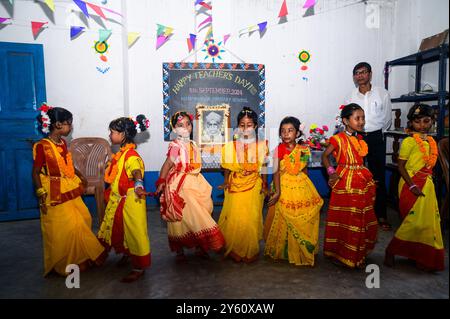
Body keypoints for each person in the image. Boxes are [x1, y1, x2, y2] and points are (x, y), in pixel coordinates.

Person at [32, 104, 106, 277]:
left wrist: (80, 175)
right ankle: (64, 263)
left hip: (69, 185)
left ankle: (80, 256)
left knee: (83, 218)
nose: (70, 127)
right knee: (65, 227)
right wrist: (41, 195)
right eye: (68, 123)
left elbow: (68, 164)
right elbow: (35, 172)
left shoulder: (63, 143)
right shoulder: (43, 146)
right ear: (58, 124)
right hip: (52, 190)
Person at [156, 111, 225, 262]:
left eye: (188, 124)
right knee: (187, 215)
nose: (185, 128)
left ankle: (200, 246)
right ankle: (184, 247)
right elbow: (168, 164)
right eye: (180, 125)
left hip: (197, 181)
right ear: (174, 129)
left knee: (203, 209)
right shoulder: (175, 146)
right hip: (181, 184)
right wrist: (161, 181)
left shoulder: (193, 144)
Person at [384, 104, 444, 271]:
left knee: (428, 224)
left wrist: (425, 183)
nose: (422, 125)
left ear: (432, 121)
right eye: (417, 122)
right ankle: (391, 251)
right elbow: (401, 167)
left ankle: (421, 257)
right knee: (412, 222)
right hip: (410, 183)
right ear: (411, 123)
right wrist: (412, 186)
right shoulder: (409, 141)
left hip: (427, 185)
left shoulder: (432, 141)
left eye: (426, 121)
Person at [322, 103, 378, 268]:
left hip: (361, 180)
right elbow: (325, 157)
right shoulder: (338, 139)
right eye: (357, 118)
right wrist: (331, 172)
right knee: (348, 217)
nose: (361, 122)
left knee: (361, 217)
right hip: (345, 182)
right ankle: (342, 253)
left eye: (363, 118)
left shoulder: (361, 139)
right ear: (346, 121)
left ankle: (357, 252)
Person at [97, 115, 151, 283]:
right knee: (121, 229)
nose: (110, 135)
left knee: (135, 232)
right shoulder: (121, 154)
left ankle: (139, 266)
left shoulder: (131, 156)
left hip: (131, 200)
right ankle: (128, 255)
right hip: (120, 200)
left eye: (112, 132)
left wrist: (138, 185)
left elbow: (136, 172)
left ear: (123, 135)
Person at [264, 116, 323, 266]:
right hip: (283, 186)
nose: (286, 134)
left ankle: (298, 249)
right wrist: (277, 192)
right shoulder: (278, 149)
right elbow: (276, 171)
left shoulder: (303, 149)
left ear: (297, 133)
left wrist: (310, 189)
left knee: (299, 216)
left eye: (290, 130)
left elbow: (305, 170)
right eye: (283, 131)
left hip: (301, 187)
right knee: (283, 218)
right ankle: (284, 250)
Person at [218, 107, 269, 263]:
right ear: (237, 127)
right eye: (242, 124)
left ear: (255, 126)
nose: (245, 128)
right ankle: (234, 249)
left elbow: (265, 167)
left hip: (254, 184)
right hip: (235, 184)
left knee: (251, 217)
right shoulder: (229, 146)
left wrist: (265, 184)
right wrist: (226, 181)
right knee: (235, 217)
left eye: (249, 124)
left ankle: (249, 249)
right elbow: (226, 166)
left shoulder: (262, 145)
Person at [346, 62, 392, 230]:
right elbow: (345, 117)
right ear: (354, 77)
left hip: (375, 137)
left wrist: (376, 134)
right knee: (356, 175)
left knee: (377, 176)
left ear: (370, 74)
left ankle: (380, 215)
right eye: (357, 73)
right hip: (357, 138)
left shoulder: (382, 93)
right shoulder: (351, 96)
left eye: (363, 72)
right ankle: (357, 213)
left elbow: (387, 119)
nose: (360, 76)